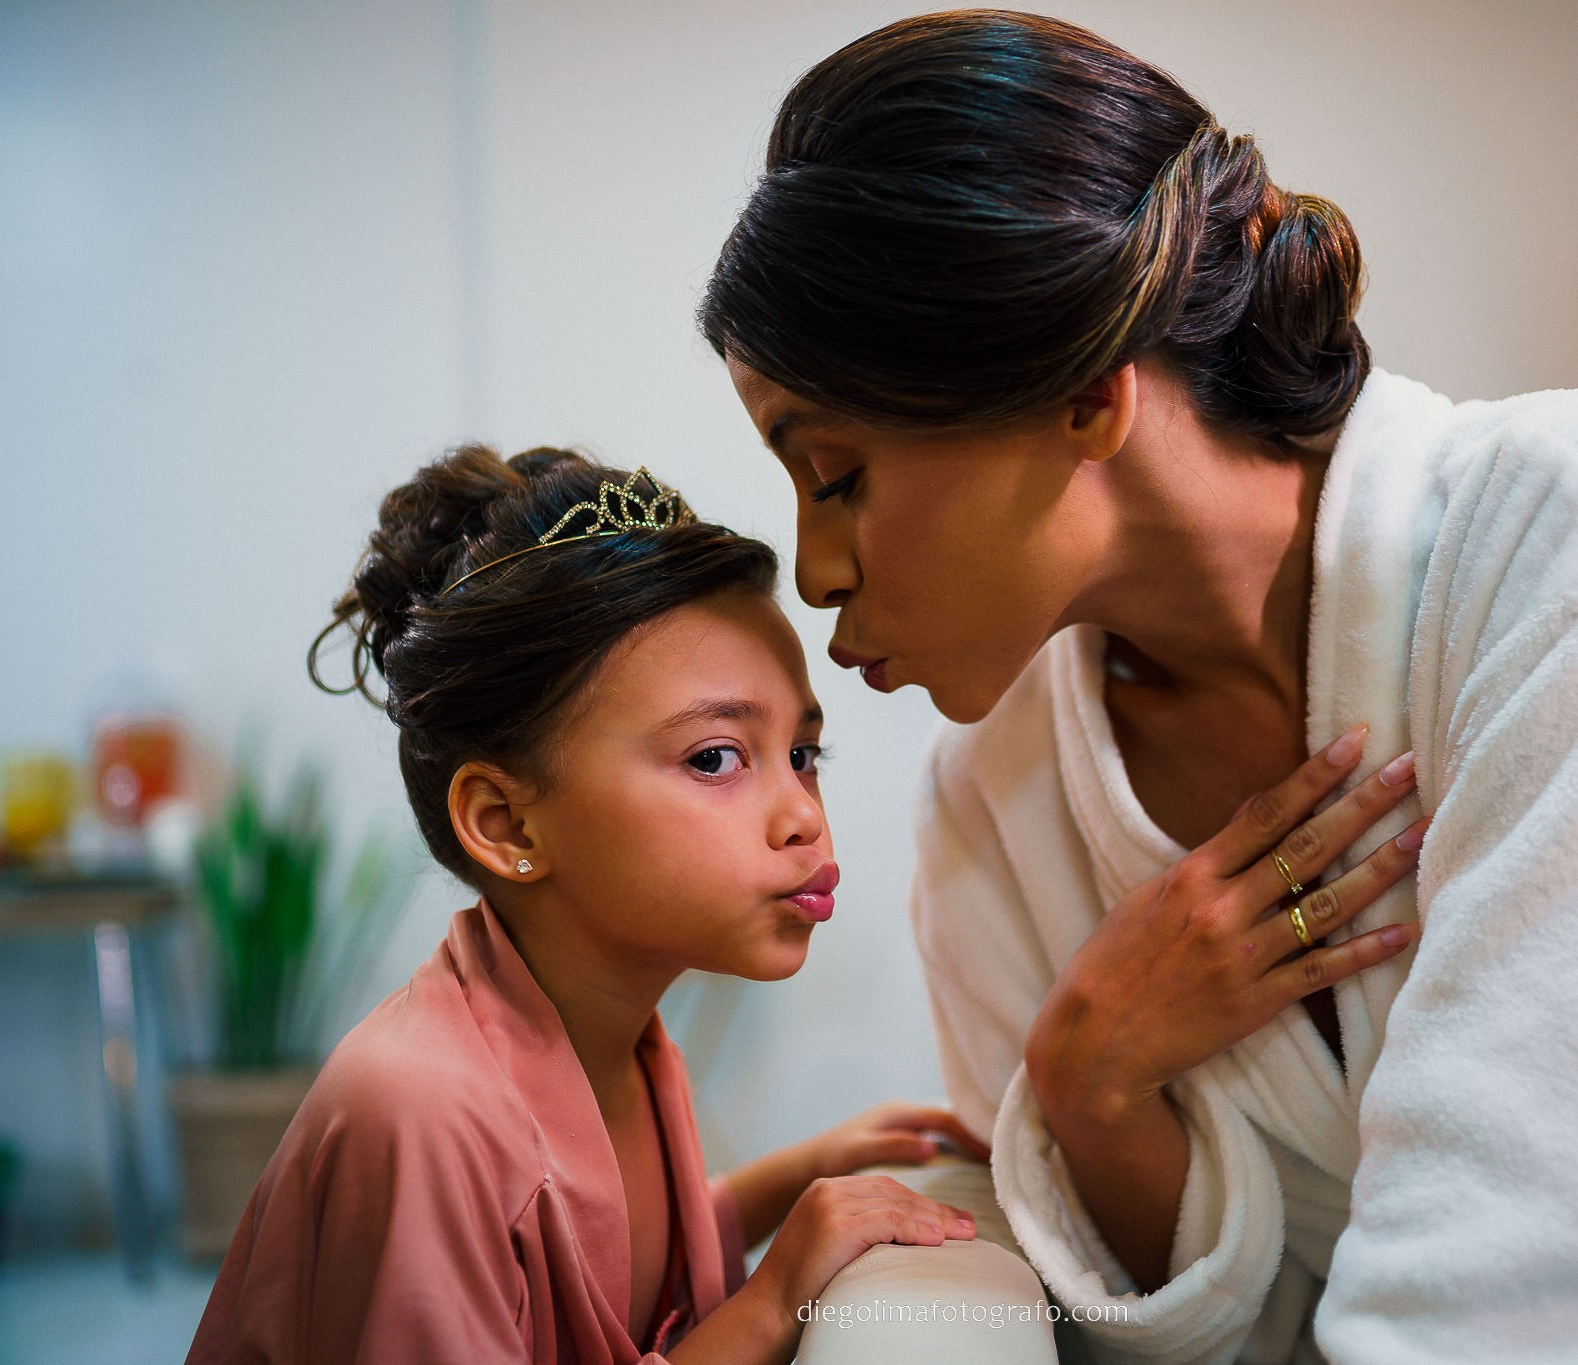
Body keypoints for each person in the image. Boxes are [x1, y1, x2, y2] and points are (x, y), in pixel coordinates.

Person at [698, 11, 1578, 1363]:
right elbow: (1154, 1335)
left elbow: (1548, 1280)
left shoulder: (1565, 522)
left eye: (836, 476)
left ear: (1081, 394)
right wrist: (1088, 1081)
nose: (817, 571)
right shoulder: (990, 803)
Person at [184, 447, 985, 1365]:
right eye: (716, 756)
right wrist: (771, 1300)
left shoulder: (623, 1039)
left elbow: (596, 1249)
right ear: (505, 821)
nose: (803, 813)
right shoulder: (417, 1113)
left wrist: (797, 1175)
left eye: (803, 754)